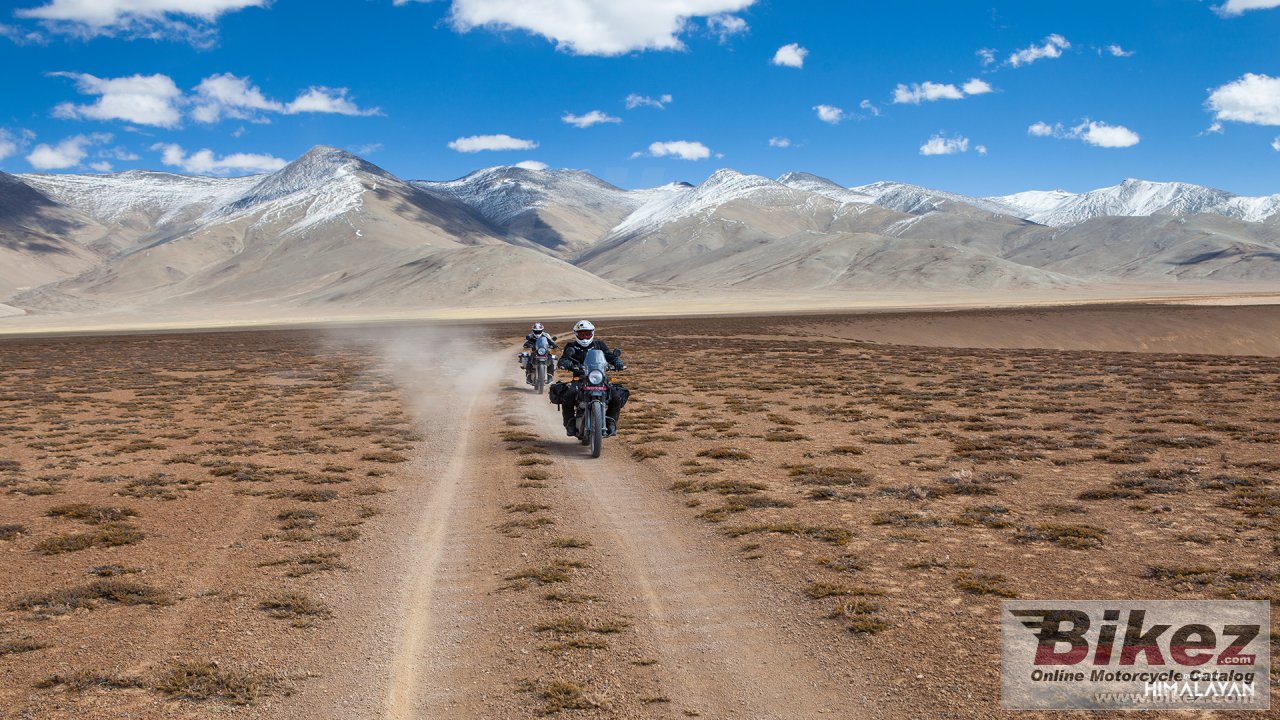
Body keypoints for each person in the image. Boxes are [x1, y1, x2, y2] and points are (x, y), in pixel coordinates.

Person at [552, 320, 627, 437]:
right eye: (582, 334)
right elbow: (564, 359)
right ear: (576, 334)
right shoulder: (571, 346)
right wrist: (566, 363)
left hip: (599, 378)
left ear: (592, 333)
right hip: (579, 378)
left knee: (616, 396)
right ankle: (570, 423)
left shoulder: (599, 345)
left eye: (587, 334)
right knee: (569, 394)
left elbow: (609, 355)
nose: (585, 337)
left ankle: (611, 422)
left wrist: (617, 362)